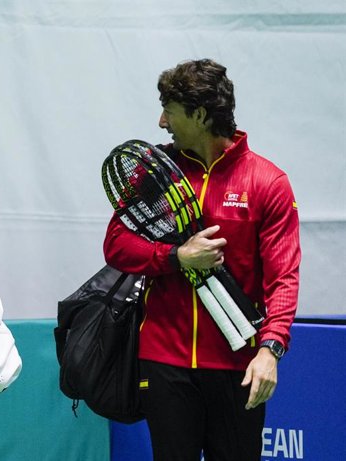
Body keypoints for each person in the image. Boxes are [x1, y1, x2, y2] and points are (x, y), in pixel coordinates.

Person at [103, 59, 300, 460]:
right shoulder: (156, 173)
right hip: (163, 360)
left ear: (199, 114)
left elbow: (283, 277)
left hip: (237, 363)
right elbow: (117, 245)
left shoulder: (267, 182)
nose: (161, 121)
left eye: (169, 110)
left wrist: (270, 349)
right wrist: (177, 256)